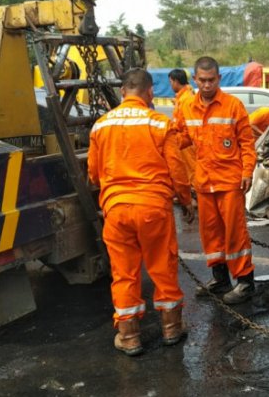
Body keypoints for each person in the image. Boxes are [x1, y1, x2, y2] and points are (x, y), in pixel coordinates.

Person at [88, 68, 195, 356]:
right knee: (163, 267)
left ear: (123, 92)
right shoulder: (160, 124)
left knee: (124, 274)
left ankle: (129, 337)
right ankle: (172, 329)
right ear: (149, 93)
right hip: (153, 209)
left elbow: (94, 174)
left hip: (117, 210)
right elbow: (177, 171)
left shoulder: (100, 126)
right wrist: (186, 202)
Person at [175, 56, 257, 304]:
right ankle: (220, 278)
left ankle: (245, 282)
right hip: (204, 182)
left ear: (219, 79)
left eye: (211, 80)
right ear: (195, 79)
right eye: (202, 80)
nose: (207, 85)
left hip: (229, 182)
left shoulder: (233, 106)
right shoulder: (187, 107)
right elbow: (179, 137)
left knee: (235, 234)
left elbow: (246, 143)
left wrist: (247, 172)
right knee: (211, 234)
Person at [169, 68, 197, 186]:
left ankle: (198, 194)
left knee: (192, 169)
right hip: (182, 139)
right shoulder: (182, 98)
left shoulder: (187, 99)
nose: (170, 85)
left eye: (170, 82)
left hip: (187, 141)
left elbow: (189, 123)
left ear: (176, 81)